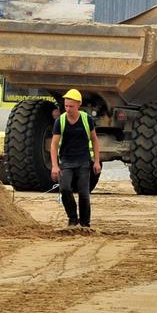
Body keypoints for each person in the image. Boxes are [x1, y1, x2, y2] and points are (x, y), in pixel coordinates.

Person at [50, 89, 102, 228]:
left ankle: (85, 224)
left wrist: (96, 161)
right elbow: (54, 145)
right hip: (66, 162)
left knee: (84, 193)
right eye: (66, 106)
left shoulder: (87, 119)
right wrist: (55, 166)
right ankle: (73, 218)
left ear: (79, 104)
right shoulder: (60, 121)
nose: (68, 109)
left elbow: (95, 140)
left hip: (83, 162)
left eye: (71, 106)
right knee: (65, 188)